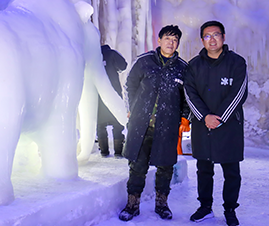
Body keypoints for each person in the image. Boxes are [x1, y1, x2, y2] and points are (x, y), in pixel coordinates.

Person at [119, 25, 190, 221]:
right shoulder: (144, 61)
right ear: (159, 40)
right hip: (142, 125)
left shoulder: (183, 68)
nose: (171, 42)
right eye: (167, 38)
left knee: (166, 167)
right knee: (137, 167)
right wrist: (133, 108)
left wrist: (183, 117)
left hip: (167, 126)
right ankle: (132, 205)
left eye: (175, 40)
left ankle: (162, 204)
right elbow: (130, 85)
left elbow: (187, 97)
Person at [184, 20, 248, 226]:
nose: (212, 39)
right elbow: (189, 93)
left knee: (231, 172)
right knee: (204, 169)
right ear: (202, 40)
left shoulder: (237, 62)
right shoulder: (193, 65)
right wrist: (204, 117)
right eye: (207, 36)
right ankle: (205, 207)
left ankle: (230, 209)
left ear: (224, 37)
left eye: (216, 35)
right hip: (203, 127)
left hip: (229, 126)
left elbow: (239, 93)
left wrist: (218, 118)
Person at [96, 44, 127, 157]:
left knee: (100, 125)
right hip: (114, 93)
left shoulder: (94, 55)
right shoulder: (112, 53)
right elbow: (123, 65)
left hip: (98, 95)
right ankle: (118, 152)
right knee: (117, 123)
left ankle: (104, 152)